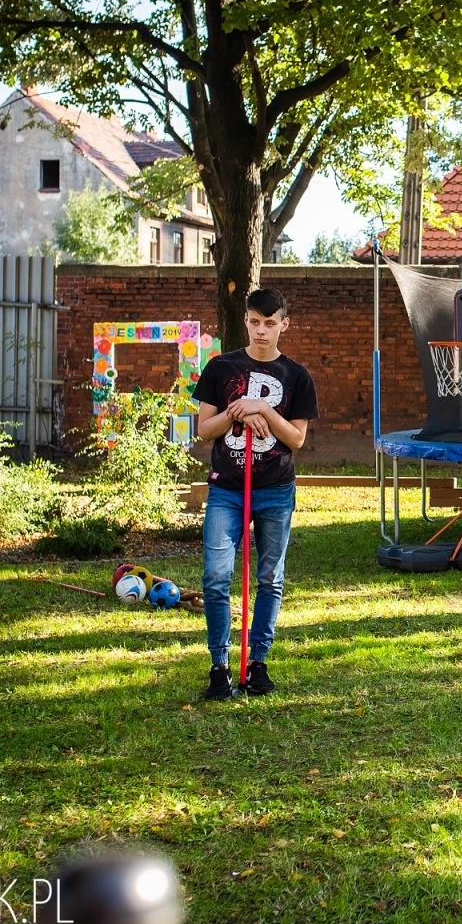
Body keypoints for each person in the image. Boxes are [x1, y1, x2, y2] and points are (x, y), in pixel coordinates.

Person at [193, 288, 319, 701]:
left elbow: (296, 439)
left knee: (270, 578)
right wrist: (236, 411)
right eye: (254, 321)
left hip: (275, 489)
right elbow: (204, 430)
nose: (262, 330)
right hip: (227, 489)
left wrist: (262, 409)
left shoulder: (297, 376)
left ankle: (257, 661)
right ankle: (220, 666)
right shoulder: (219, 367)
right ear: (245, 321)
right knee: (215, 577)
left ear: (285, 323)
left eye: (270, 323)